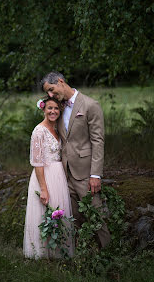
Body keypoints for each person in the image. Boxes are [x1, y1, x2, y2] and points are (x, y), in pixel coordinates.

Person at [41, 71, 111, 248]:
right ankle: (82, 258)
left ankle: (109, 256)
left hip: (86, 174)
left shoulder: (90, 105)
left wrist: (96, 175)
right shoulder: (59, 106)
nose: (50, 95)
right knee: (72, 219)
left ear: (60, 81)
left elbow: (98, 141)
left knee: (97, 217)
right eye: (48, 93)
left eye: (51, 89)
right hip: (65, 175)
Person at [23, 97, 74, 259]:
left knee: (59, 211)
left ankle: (58, 251)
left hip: (58, 175)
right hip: (44, 177)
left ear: (60, 111)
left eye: (56, 109)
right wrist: (43, 189)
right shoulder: (39, 131)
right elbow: (37, 163)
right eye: (49, 108)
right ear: (43, 109)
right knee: (44, 213)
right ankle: (43, 253)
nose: (53, 112)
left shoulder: (57, 129)